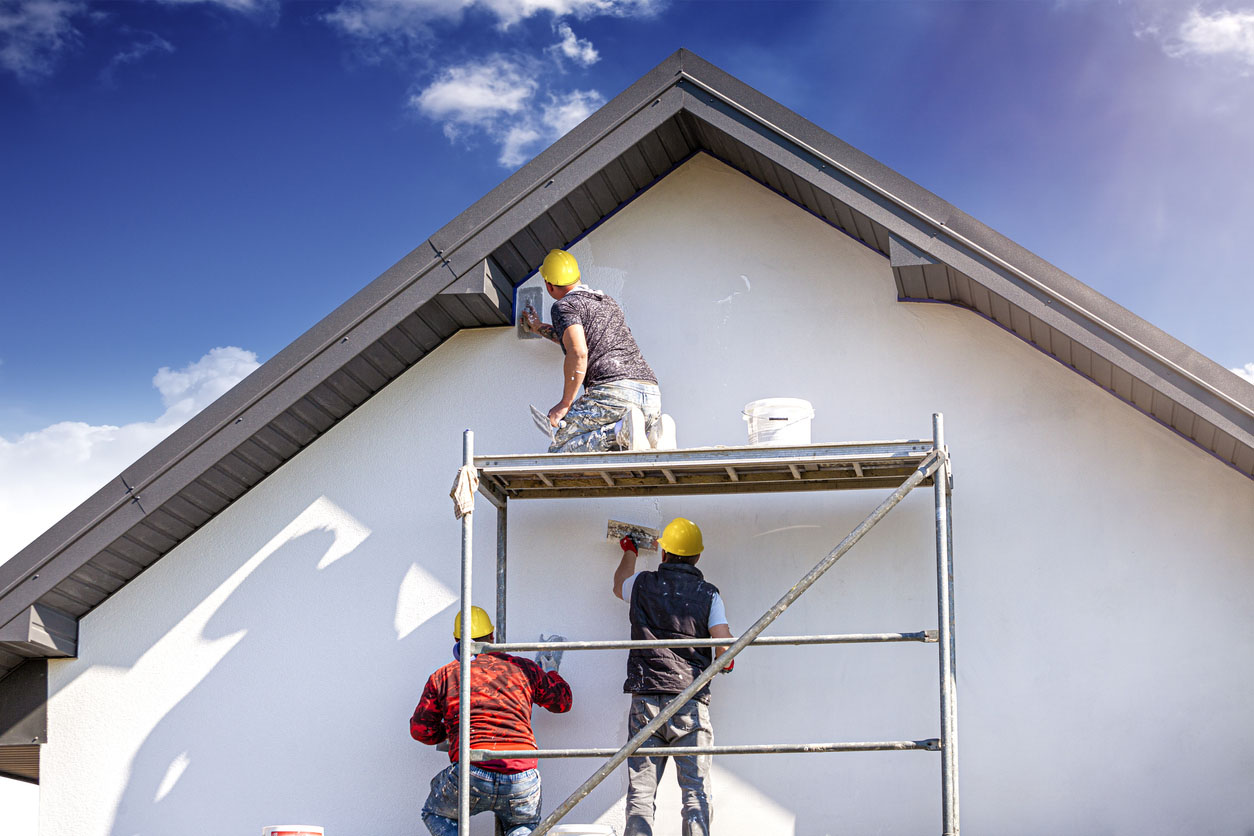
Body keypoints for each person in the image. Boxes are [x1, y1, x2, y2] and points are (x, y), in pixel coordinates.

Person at [612, 518, 733, 836]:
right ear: (697, 557)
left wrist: (630, 551)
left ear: (663, 552)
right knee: (695, 797)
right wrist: (725, 660)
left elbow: (618, 585)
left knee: (640, 797)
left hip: (646, 703)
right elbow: (724, 644)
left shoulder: (641, 584)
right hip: (689, 703)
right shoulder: (709, 595)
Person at [410, 606, 573, 836]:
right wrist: (550, 671)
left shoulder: (445, 675)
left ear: (457, 640)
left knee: (436, 812)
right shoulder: (523, 668)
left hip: (473, 772)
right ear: (492, 637)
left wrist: (450, 732)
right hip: (522, 775)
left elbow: (421, 731)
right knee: (522, 827)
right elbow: (563, 702)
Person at [521, 248, 672, 453]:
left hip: (614, 392)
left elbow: (578, 351)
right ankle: (654, 432)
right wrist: (539, 328)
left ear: (548, 285)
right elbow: (575, 339)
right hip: (651, 393)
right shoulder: (607, 302)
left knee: (561, 448)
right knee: (627, 447)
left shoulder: (564, 305)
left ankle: (621, 431)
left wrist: (565, 403)